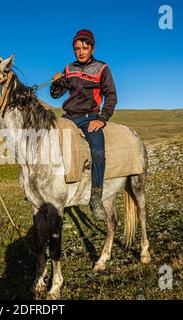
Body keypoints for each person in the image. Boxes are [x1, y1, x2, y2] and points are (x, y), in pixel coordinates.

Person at [50, 29, 117, 220]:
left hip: (90, 117)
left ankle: (96, 197)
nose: (81, 52)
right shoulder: (69, 68)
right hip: (69, 116)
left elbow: (111, 95)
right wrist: (56, 82)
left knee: (98, 151)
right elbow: (56, 94)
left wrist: (102, 118)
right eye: (77, 48)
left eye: (85, 48)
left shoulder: (102, 68)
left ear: (92, 48)